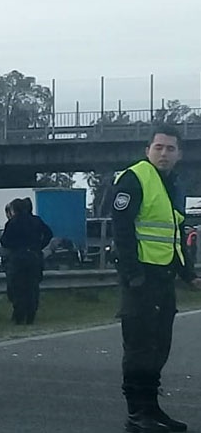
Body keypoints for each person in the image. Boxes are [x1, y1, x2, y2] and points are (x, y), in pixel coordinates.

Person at [111, 124, 201, 433]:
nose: (164, 153)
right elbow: (121, 229)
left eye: (170, 148)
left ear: (179, 154)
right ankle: (137, 414)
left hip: (163, 278)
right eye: (159, 147)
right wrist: (132, 274)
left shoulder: (172, 184)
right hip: (141, 278)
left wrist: (188, 274)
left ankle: (152, 409)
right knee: (139, 347)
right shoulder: (134, 178)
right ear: (147, 150)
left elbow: (175, 235)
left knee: (158, 347)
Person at [0, 198, 52, 325]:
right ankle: (31, 315)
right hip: (34, 256)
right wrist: (39, 246)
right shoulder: (36, 221)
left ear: (15, 210)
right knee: (33, 286)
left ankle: (19, 315)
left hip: (18, 258)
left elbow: (4, 241)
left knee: (18, 287)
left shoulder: (13, 222)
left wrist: (14, 247)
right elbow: (49, 234)